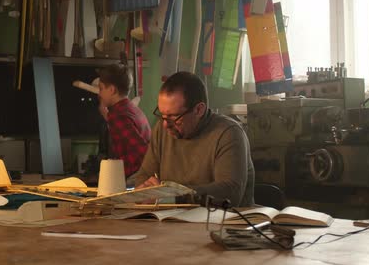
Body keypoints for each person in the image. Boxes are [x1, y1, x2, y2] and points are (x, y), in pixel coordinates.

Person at [133, 72, 254, 207]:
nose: (165, 124)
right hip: (171, 221)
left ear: (199, 110)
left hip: (222, 223)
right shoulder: (162, 130)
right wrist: (146, 189)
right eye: (162, 115)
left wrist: (173, 195)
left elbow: (230, 193)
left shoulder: (228, 133)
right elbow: (142, 177)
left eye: (174, 117)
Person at [97, 64, 151, 177]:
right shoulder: (132, 109)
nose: (99, 93)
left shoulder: (118, 116)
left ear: (112, 90)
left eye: (101, 88)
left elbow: (142, 153)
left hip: (133, 179)